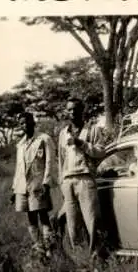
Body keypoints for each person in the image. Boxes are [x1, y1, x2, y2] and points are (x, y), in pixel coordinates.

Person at [58, 100, 106, 258]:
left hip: (85, 179)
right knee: (72, 225)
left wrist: (81, 143)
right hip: (68, 181)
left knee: (92, 221)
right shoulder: (63, 133)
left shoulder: (92, 130)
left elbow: (100, 152)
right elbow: (61, 160)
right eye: (69, 110)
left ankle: (96, 258)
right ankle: (80, 260)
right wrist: (62, 183)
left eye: (75, 109)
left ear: (82, 111)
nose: (72, 113)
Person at [10, 112, 56, 257]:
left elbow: (50, 162)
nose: (24, 125)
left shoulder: (44, 139)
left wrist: (46, 182)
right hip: (23, 186)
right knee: (30, 218)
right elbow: (19, 168)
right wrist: (14, 188)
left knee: (43, 215)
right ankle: (38, 247)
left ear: (32, 122)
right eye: (21, 123)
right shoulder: (21, 144)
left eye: (26, 122)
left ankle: (50, 248)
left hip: (38, 184)